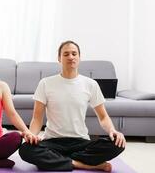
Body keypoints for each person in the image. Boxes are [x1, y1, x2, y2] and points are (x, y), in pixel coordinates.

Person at [19, 41, 126, 172]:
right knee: (25, 149)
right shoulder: (45, 83)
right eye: (66, 54)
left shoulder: (90, 84)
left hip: (81, 142)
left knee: (118, 143)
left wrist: (112, 131)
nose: (71, 57)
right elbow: (37, 118)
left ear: (79, 58)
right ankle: (79, 163)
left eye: (74, 53)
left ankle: (58, 160)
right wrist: (32, 135)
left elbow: (103, 117)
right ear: (59, 58)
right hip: (53, 141)